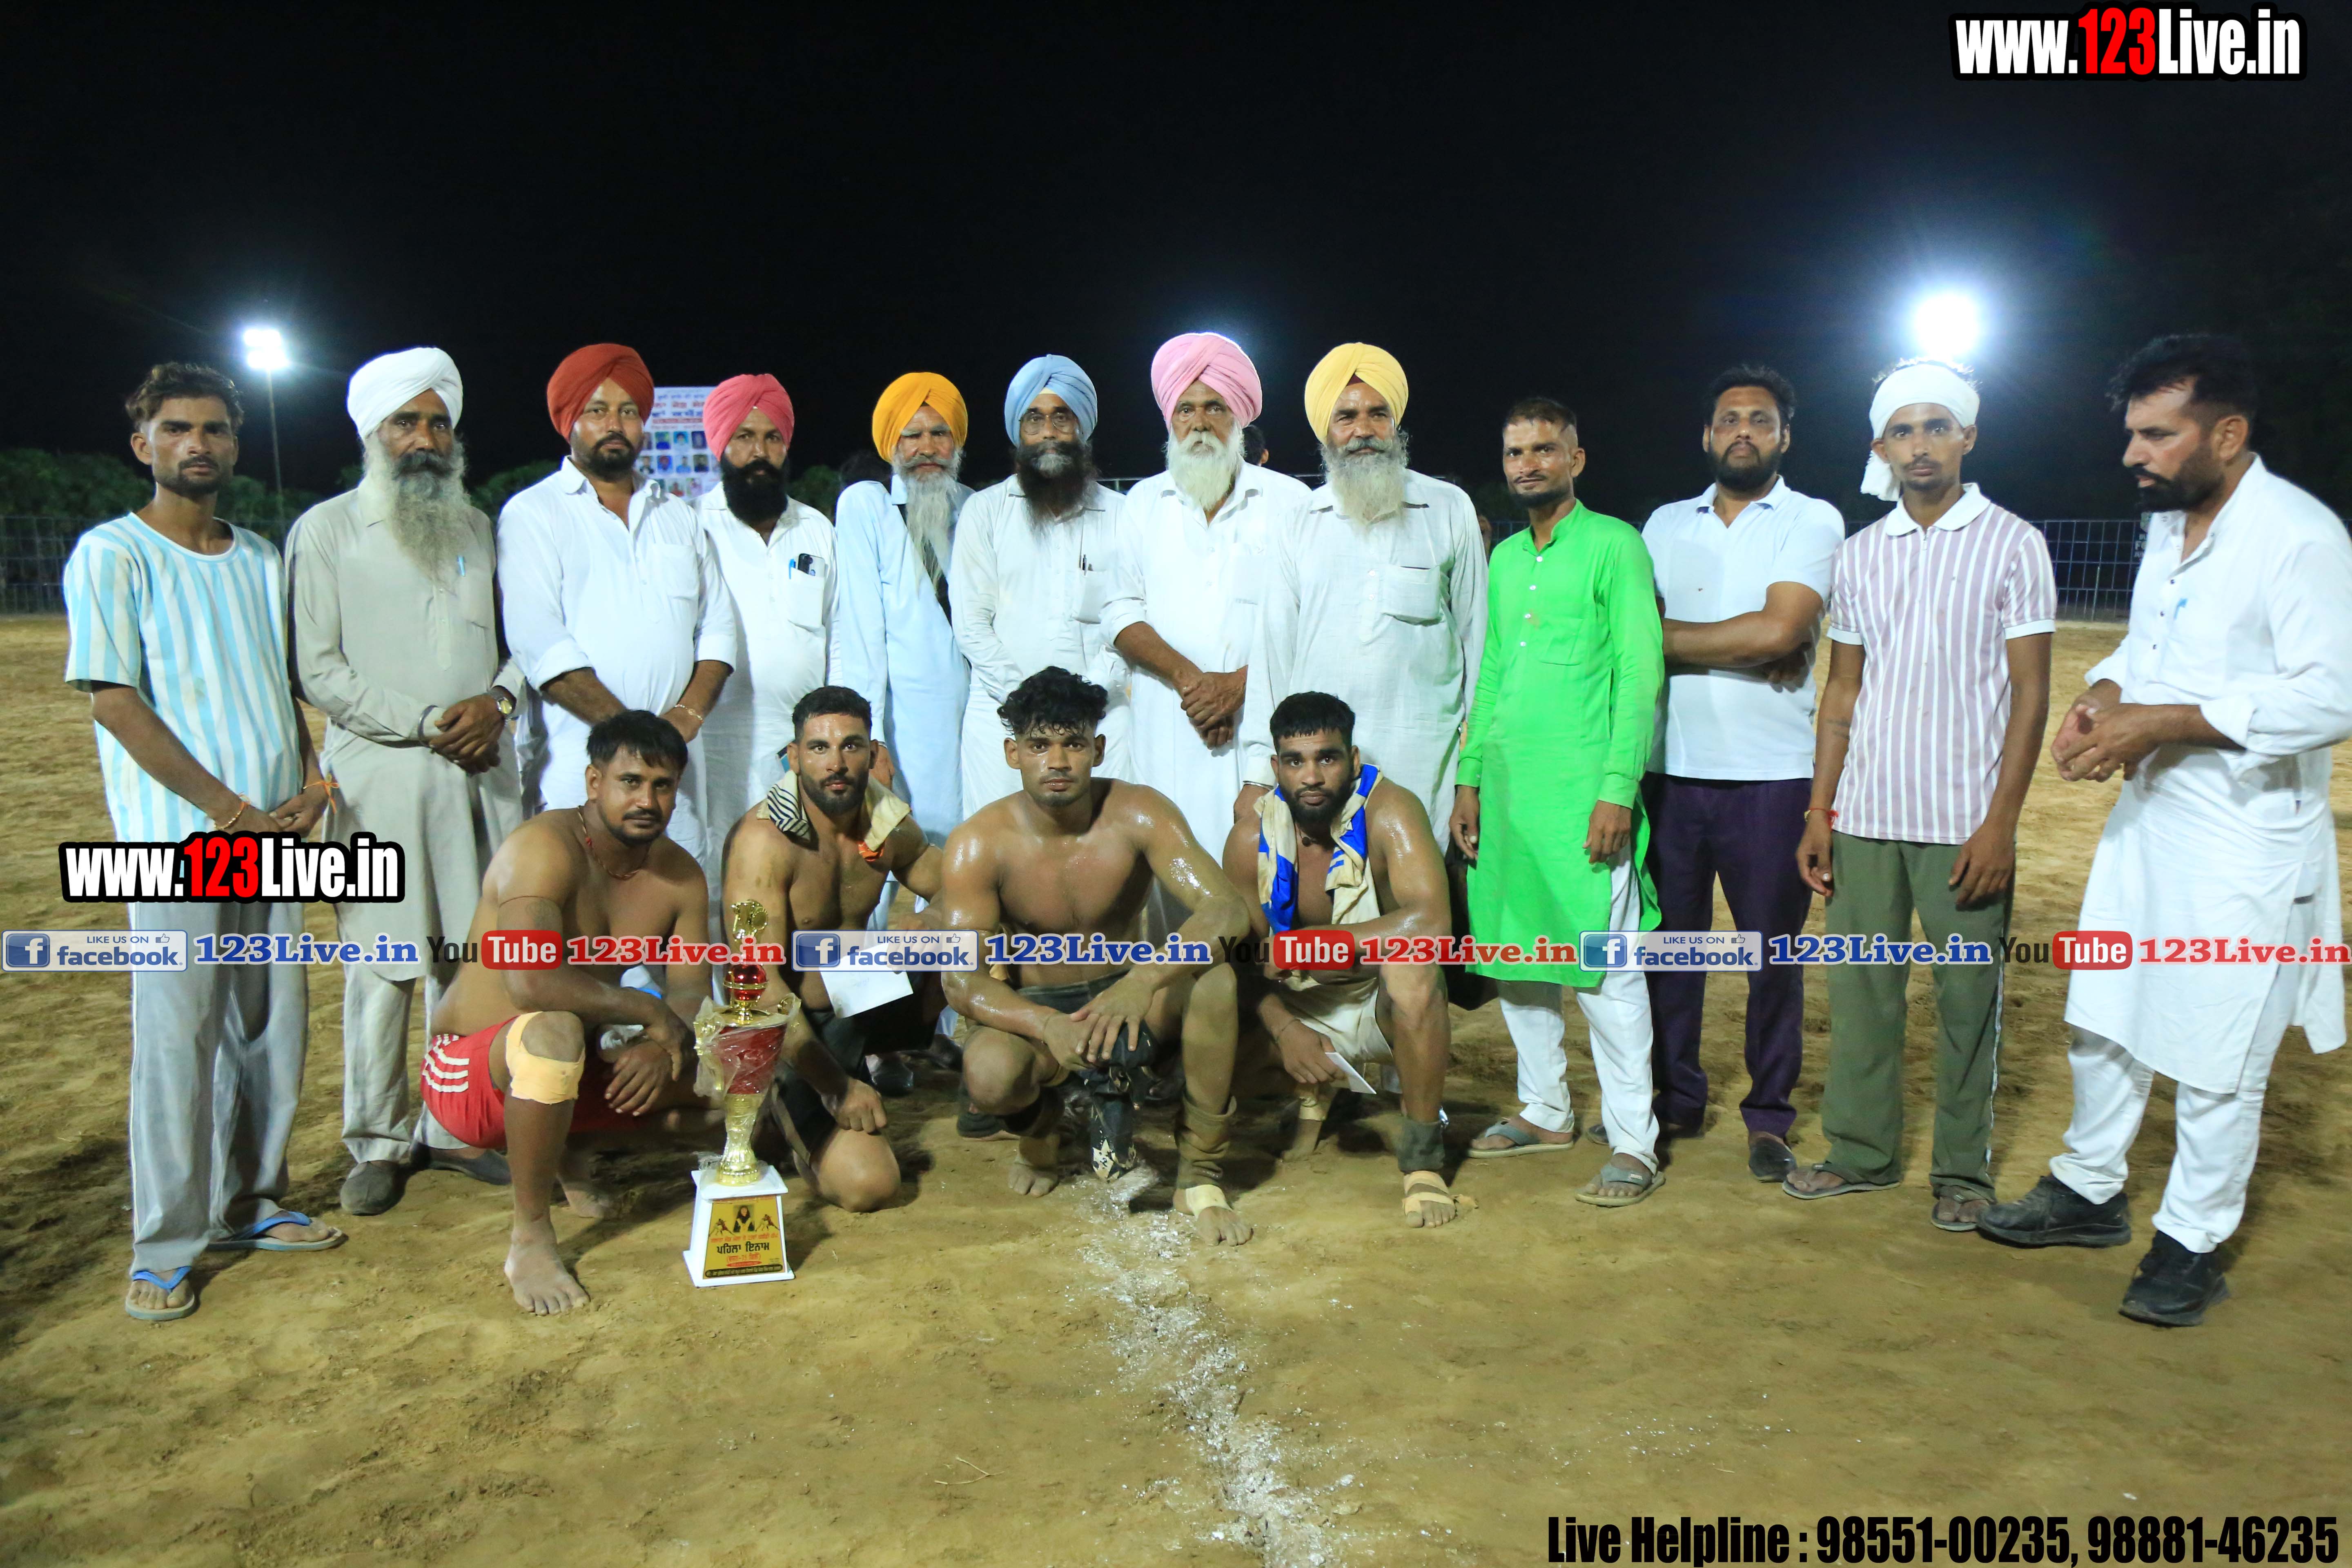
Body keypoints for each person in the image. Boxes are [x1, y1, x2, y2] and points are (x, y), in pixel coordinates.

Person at [1978, 335, 2352, 1325]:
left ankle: (2190, 1241)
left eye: (2156, 434)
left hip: (2245, 841)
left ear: (2225, 434)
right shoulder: (2167, 526)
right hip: (2147, 823)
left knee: (2216, 1050)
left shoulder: (2298, 536)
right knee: (2103, 1011)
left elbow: (2331, 695)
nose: (2131, 454)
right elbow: (2144, 653)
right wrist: (2104, 701)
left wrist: (2164, 723)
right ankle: (2087, 1189)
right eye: (2131, 433)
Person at [65, 363, 342, 1322]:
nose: (198, 444)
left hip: (272, 836)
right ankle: (165, 1243)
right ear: (141, 444)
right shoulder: (113, 554)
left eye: (216, 429)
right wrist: (230, 810)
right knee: (178, 1042)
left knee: (268, 1030)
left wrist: (312, 782)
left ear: (233, 444)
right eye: (177, 428)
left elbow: (278, 689)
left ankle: (252, 1202)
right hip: (179, 843)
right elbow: (114, 701)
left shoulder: (260, 558)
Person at [1787, 360, 2054, 1231]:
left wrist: (2001, 824)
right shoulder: (1861, 554)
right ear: (1881, 448)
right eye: (1903, 431)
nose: (1921, 445)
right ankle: (1861, 1154)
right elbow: (1841, 694)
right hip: (1865, 818)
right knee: (1862, 995)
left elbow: (2031, 694)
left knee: (1968, 1001)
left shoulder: (2014, 543)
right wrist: (1820, 811)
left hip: (1965, 824)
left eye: (1938, 426)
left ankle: (1963, 1174)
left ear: (1969, 436)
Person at [287, 347, 525, 1216]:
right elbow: (318, 670)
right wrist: (428, 723)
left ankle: (455, 1126)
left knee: (469, 958)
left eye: (437, 422)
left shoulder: (478, 530)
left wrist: (499, 701)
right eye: (405, 422)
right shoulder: (325, 531)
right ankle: (378, 1141)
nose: (424, 438)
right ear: (372, 433)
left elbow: (518, 647)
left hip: (481, 775)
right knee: (384, 964)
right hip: (378, 778)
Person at [425, 711, 731, 1314]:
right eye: (630, 782)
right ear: (594, 781)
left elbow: (692, 990)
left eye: (663, 785)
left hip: (576, 1060)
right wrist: (645, 1010)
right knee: (555, 1029)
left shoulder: (680, 875)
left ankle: (570, 1146)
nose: (647, 801)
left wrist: (659, 1043)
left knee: (736, 1088)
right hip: (471, 1073)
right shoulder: (542, 846)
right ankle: (531, 1237)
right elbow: (530, 981)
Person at [936, 668, 1253, 1242]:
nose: (1057, 761)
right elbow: (961, 982)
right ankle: (1043, 1130)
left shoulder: (1140, 813)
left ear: (1099, 750)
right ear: (1013, 753)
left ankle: (1200, 1173)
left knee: (1217, 981)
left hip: (1129, 999)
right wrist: (1045, 1024)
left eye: (1074, 744)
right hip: (1037, 1010)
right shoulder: (978, 842)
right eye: (1039, 745)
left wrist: (1143, 981)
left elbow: (1228, 912)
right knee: (989, 1074)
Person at [1449, 398, 1668, 1206]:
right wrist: (1470, 778)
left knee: (1608, 974)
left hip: (1584, 801)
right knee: (1517, 955)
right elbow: (1493, 672)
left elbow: (1640, 674)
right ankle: (1545, 1109)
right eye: (1516, 453)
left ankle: (1635, 1143)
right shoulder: (1506, 558)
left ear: (1576, 459)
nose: (1529, 465)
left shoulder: (1616, 545)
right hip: (1508, 797)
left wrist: (1618, 790)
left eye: (1545, 450)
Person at [1638, 365, 1845, 1182]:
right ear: (1707, 434)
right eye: (1730, 419)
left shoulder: (1811, 519)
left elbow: (1780, 632)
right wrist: (1749, 639)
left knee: (1771, 956)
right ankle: (1677, 1099)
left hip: (1774, 775)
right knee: (1673, 952)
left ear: (1784, 437)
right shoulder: (1663, 525)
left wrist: (1675, 639)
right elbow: (1641, 632)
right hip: (1670, 770)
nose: (1744, 432)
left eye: (1761, 420)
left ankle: (1769, 1116)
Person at [1222, 693, 1468, 1226]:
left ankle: (1423, 1160)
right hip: (1298, 1004)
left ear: (1353, 760)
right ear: (1276, 768)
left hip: (1378, 999)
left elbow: (1432, 922)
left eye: (1327, 758)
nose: (1311, 776)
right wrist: (1285, 1029)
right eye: (1295, 761)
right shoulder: (1249, 838)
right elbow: (1239, 959)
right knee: (1208, 1029)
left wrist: (1311, 943)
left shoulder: (1391, 811)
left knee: (1414, 966)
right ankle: (1314, 1092)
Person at [497, 343, 736, 865]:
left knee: (680, 900)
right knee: (581, 904)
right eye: (597, 410)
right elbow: (539, 641)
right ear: (569, 421)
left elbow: (718, 629)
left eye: (628, 412)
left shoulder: (678, 516)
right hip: (577, 769)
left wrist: (685, 717)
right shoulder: (534, 514)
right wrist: (631, 737)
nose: (615, 424)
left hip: (676, 773)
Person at [1107, 333, 1312, 925]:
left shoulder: (1291, 502)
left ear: (1240, 418)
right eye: (1185, 409)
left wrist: (1238, 687)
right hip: (1169, 726)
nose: (1199, 423)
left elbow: (1310, 622)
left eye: (1215, 407)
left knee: (1268, 880)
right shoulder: (1143, 503)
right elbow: (1119, 612)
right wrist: (1194, 682)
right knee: (1171, 886)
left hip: (1262, 730)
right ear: (1169, 420)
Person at [1238, 343, 1487, 829]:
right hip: (1319, 772)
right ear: (1326, 431)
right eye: (1346, 417)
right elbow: (1273, 655)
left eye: (1378, 414)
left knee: (1424, 877)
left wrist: (1472, 776)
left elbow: (1478, 647)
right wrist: (1257, 775)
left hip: (1428, 767)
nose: (1364, 430)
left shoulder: (1448, 508)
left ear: (1396, 424)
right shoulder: (1299, 521)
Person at [722, 686, 948, 1212]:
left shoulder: (881, 816)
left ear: (872, 753)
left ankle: (1006, 1095)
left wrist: (932, 923)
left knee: (969, 939)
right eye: (820, 748)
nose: (837, 763)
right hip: (790, 1034)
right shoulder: (764, 842)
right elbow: (758, 988)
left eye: (851, 746)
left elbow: (959, 890)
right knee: (871, 1186)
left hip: (853, 1001)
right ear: (795, 756)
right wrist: (835, 1088)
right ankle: (771, 1104)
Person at [951, 356, 1130, 817]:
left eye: (1061, 418)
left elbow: (1133, 615)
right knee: (1000, 844)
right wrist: (1026, 703)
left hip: (1103, 716)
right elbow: (971, 623)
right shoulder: (985, 512)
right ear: (1018, 431)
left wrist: (1089, 699)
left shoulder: (1124, 515)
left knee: (1104, 844)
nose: (1048, 432)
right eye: (1034, 419)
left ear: (1082, 427)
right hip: (1002, 716)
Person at [693, 373, 841, 895]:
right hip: (717, 746)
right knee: (724, 877)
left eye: (772, 438)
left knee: (801, 876)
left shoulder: (816, 529)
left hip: (801, 746)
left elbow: (840, 636)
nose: (760, 452)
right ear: (721, 445)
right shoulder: (692, 525)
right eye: (745, 437)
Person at [832, 373, 973, 845]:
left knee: (973, 854)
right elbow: (861, 634)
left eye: (940, 433)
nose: (926, 448)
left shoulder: (975, 508)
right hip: (903, 726)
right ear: (893, 444)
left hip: (978, 721)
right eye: (912, 435)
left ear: (957, 442)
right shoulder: (867, 506)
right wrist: (869, 740)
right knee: (899, 854)